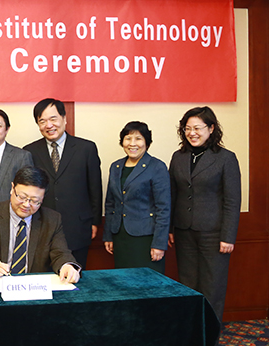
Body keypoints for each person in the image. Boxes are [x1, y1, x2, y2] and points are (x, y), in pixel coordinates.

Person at [169, 106, 241, 323]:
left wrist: (228, 237)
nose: (192, 133)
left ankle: (209, 334)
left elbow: (232, 200)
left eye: (198, 128)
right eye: (187, 128)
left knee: (213, 287)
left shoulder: (226, 158)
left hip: (214, 233)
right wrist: (171, 228)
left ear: (211, 128)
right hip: (184, 231)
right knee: (187, 285)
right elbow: (173, 195)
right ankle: (191, 332)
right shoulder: (178, 157)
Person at [0, 166, 80, 283]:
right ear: (12, 188)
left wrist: (67, 265)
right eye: (21, 197)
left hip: (34, 289)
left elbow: (61, 253)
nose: (26, 205)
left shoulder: (51, 219)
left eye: (35, 201)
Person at [23, 98, 102, 268]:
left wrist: (95, 221)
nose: (48, 125)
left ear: (64, 119)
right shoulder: (29, 151)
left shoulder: (86, 148)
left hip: (78, 228)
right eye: (42, 121)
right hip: (41, 228)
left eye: (53, 119)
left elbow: (95, 188)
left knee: (75, 279)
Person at [103, 121, 170, 274]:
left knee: (147, 284)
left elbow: (163, 208)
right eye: (128, 138)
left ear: (147, 142)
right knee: (123, 282)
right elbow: (110, 204)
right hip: (120, 236)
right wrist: (108, 235)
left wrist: (159, 244)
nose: (132, 143)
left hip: (145, 238)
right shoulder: (116, 166)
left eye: (138, 138)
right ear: (122, 142)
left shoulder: (157, 167)